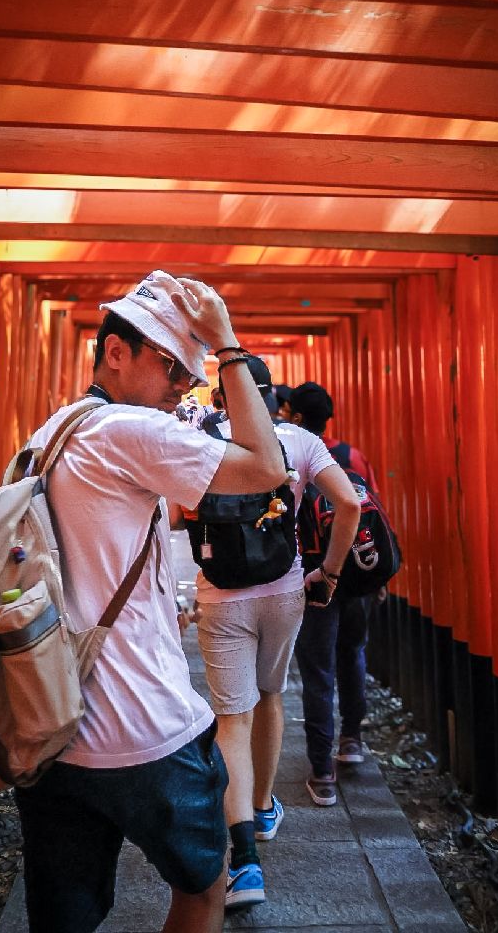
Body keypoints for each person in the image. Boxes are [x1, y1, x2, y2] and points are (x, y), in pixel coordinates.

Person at [15, 270, 288, 933]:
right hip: (143, 726)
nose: (185, 384)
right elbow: (266, 466)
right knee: (205, 885)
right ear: (115, 351)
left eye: (193, 372)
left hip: (53, 728)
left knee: (65, 918)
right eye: (173, 364)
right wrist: (227, 344)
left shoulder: (52, 432)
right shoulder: (127, 430)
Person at [176, 359, 360, 909]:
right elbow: (349, 504)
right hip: (284, 590)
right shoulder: (298, 441)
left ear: (221, 397)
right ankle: (261, 809)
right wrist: (329, 573)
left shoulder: (199, 442)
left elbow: (175, 515)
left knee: (232, 720)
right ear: (274, 398)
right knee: (271, 695)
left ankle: (245, 865)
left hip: (220, 595)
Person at [287, 381, 380, 807]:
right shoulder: (350, 456)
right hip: (357, 575)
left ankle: (322, 771)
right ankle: (352, 738)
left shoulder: (293, 455)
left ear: (296, 416)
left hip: (316, 577)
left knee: (318, 671)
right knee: (353, 652)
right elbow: (372, 515)